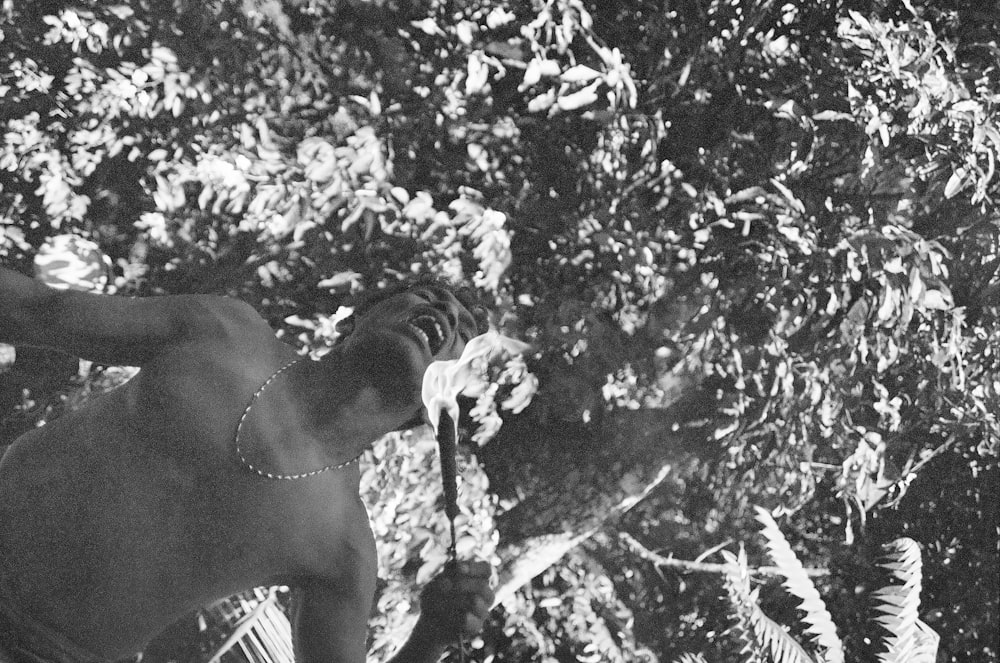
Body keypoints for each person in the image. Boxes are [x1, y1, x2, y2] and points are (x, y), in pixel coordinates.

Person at [0, 265, 494, 663]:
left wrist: (429, 638)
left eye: (462, 333)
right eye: (427, 295)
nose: (443, 313)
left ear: (431, 407)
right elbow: (36, 310)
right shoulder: (223, 331)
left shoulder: (341, 546)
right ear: (353, 320)